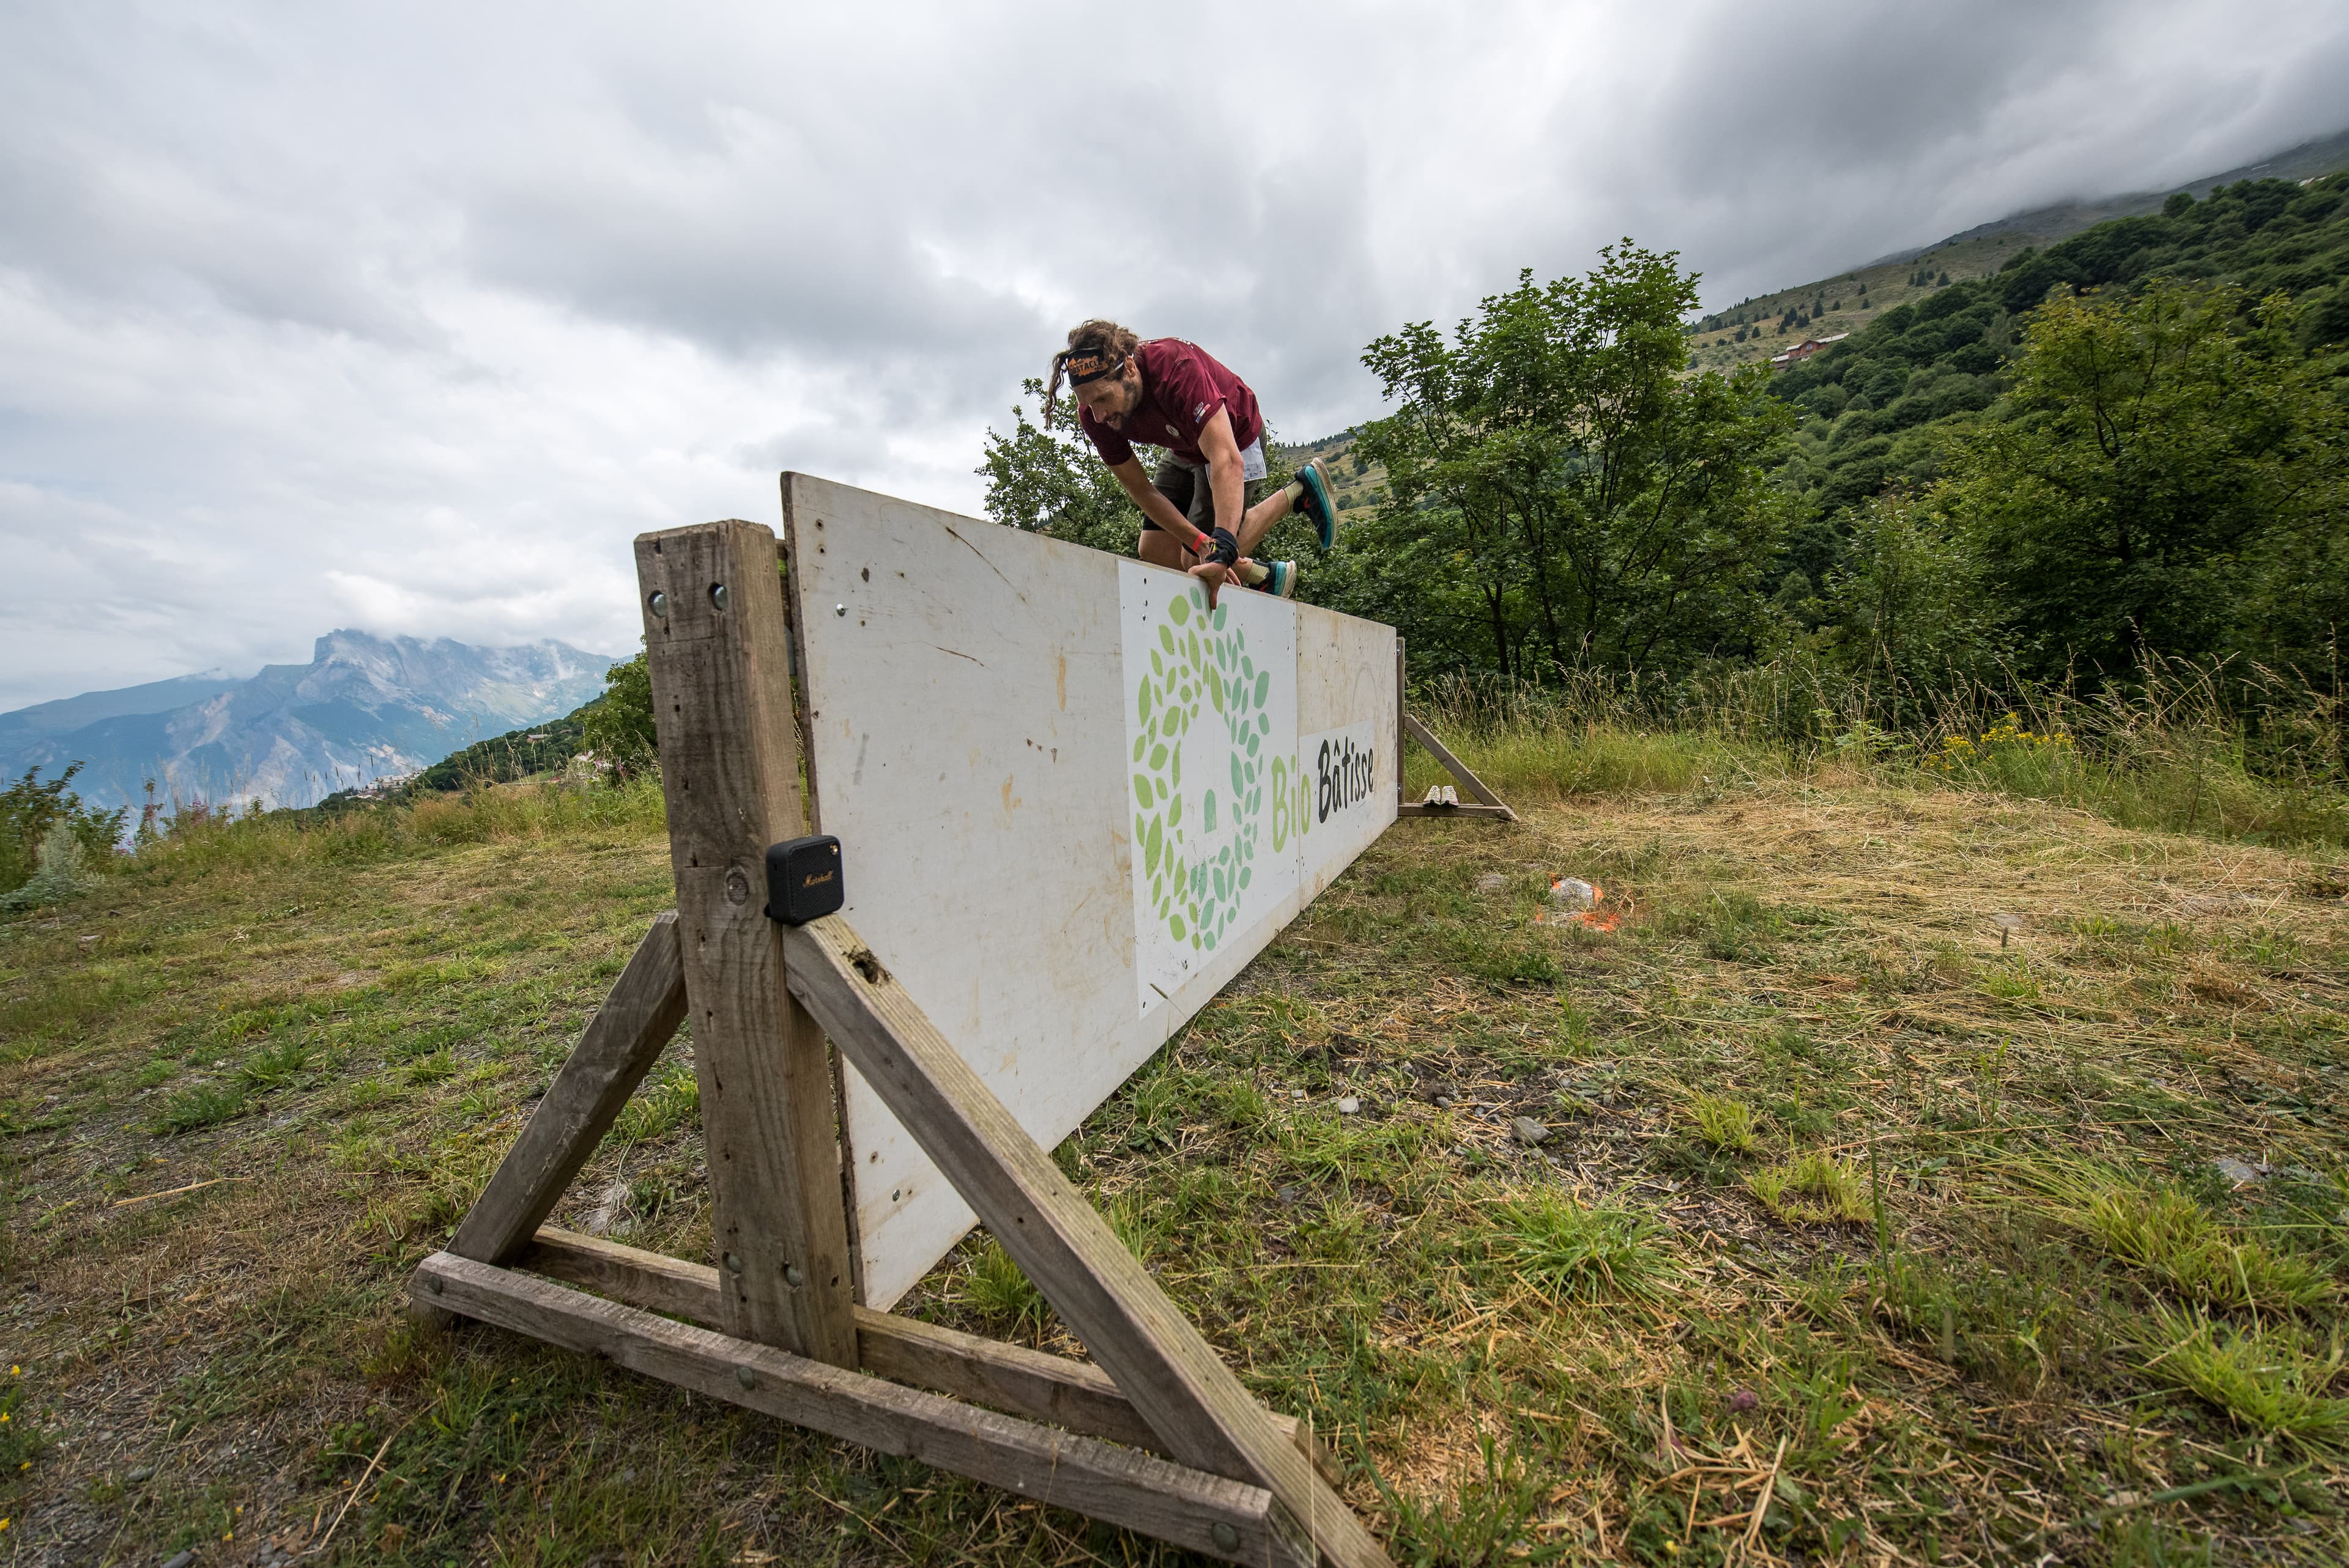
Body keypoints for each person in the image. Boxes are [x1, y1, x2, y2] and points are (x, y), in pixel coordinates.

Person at [1042, 320, 1340, 606]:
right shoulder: (1095, 416)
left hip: (1234, 437)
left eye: (1103, 399)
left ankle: (1299, 491)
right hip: (1184, 447)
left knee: (1192, 563)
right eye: (1088, 404)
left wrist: (1220, 550)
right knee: (1153, 548)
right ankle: (1261, 574)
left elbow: (1226, 460)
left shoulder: (1175, 368)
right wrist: (1200, 543)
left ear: (1130, 368)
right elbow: (1143, 492)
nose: (1098, 416)